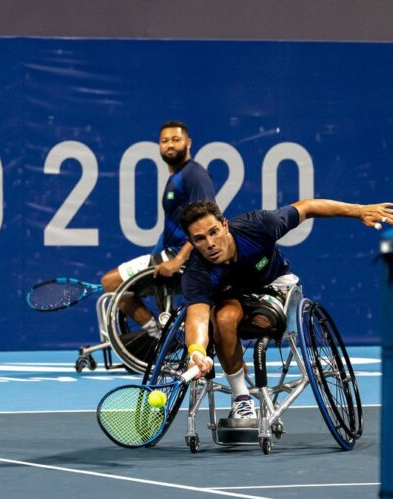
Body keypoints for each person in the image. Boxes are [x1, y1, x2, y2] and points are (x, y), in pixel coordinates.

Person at [179, 198, 393, 419]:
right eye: (200, 239)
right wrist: (196, 350)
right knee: (222, 318)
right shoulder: (197, 272)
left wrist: (359, 211)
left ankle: (236, 355)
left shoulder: (259, 226)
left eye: (214, 232)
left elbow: (308, 208)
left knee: (261, 322)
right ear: (191, 242)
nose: (210, 243)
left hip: (274, 288)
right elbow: (198, 317)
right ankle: (241, 398)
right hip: (232, 299)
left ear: (225, 225)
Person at [100, 120, 216, 341]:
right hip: (169, 253)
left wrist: (178, 260)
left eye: (175, 139)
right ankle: (160, 336)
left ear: (188, 143)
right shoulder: (176, 178)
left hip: (182, 256)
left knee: (109, 282)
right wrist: (156, 256)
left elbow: (206, 224)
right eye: (164, 141)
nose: (169, 145)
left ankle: (156, 335)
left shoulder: (194, 175)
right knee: (122, 292)